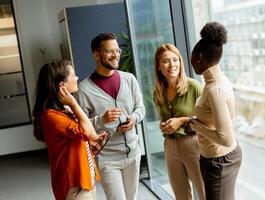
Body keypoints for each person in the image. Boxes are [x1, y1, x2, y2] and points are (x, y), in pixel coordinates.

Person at [74, 32, 145, 200]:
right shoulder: (84, 89)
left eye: (117, 50)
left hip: (133, 153)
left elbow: (140, 108)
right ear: (96, 55)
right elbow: (81, 127)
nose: (116, 55)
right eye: (110, 51)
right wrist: (101, 120)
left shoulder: (129, 79)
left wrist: (134, 118)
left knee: (131, 198)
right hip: (108, 159)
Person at [32, 59, 106, 200]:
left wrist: (89, 146)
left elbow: (87, 137)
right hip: (75, 185)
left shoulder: (64, 109)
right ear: (62, 86)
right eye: (73, 75)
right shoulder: (51, 116)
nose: (77, 78)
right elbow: (89, 133)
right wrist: (73, 103)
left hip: (86, 178)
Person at [188, 22, 242, 200]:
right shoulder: (215, 82)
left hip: (219, 161)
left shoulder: (215, 89)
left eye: (192, 56)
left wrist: (196, 126)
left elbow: (226, 139)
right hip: (213, 158)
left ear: (200, 57)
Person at [153, 44, 205, 200]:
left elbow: (208, 120)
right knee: (180, 195)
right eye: (166, 61)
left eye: (175, 60)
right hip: (170, 147)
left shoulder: (194, 86)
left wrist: (181, 121)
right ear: (159, 66)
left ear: (181, 62)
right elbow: (165, 119)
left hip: (193, 144)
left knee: (205, 193)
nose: (172, 65)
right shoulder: (158, 92)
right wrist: (164, 125)